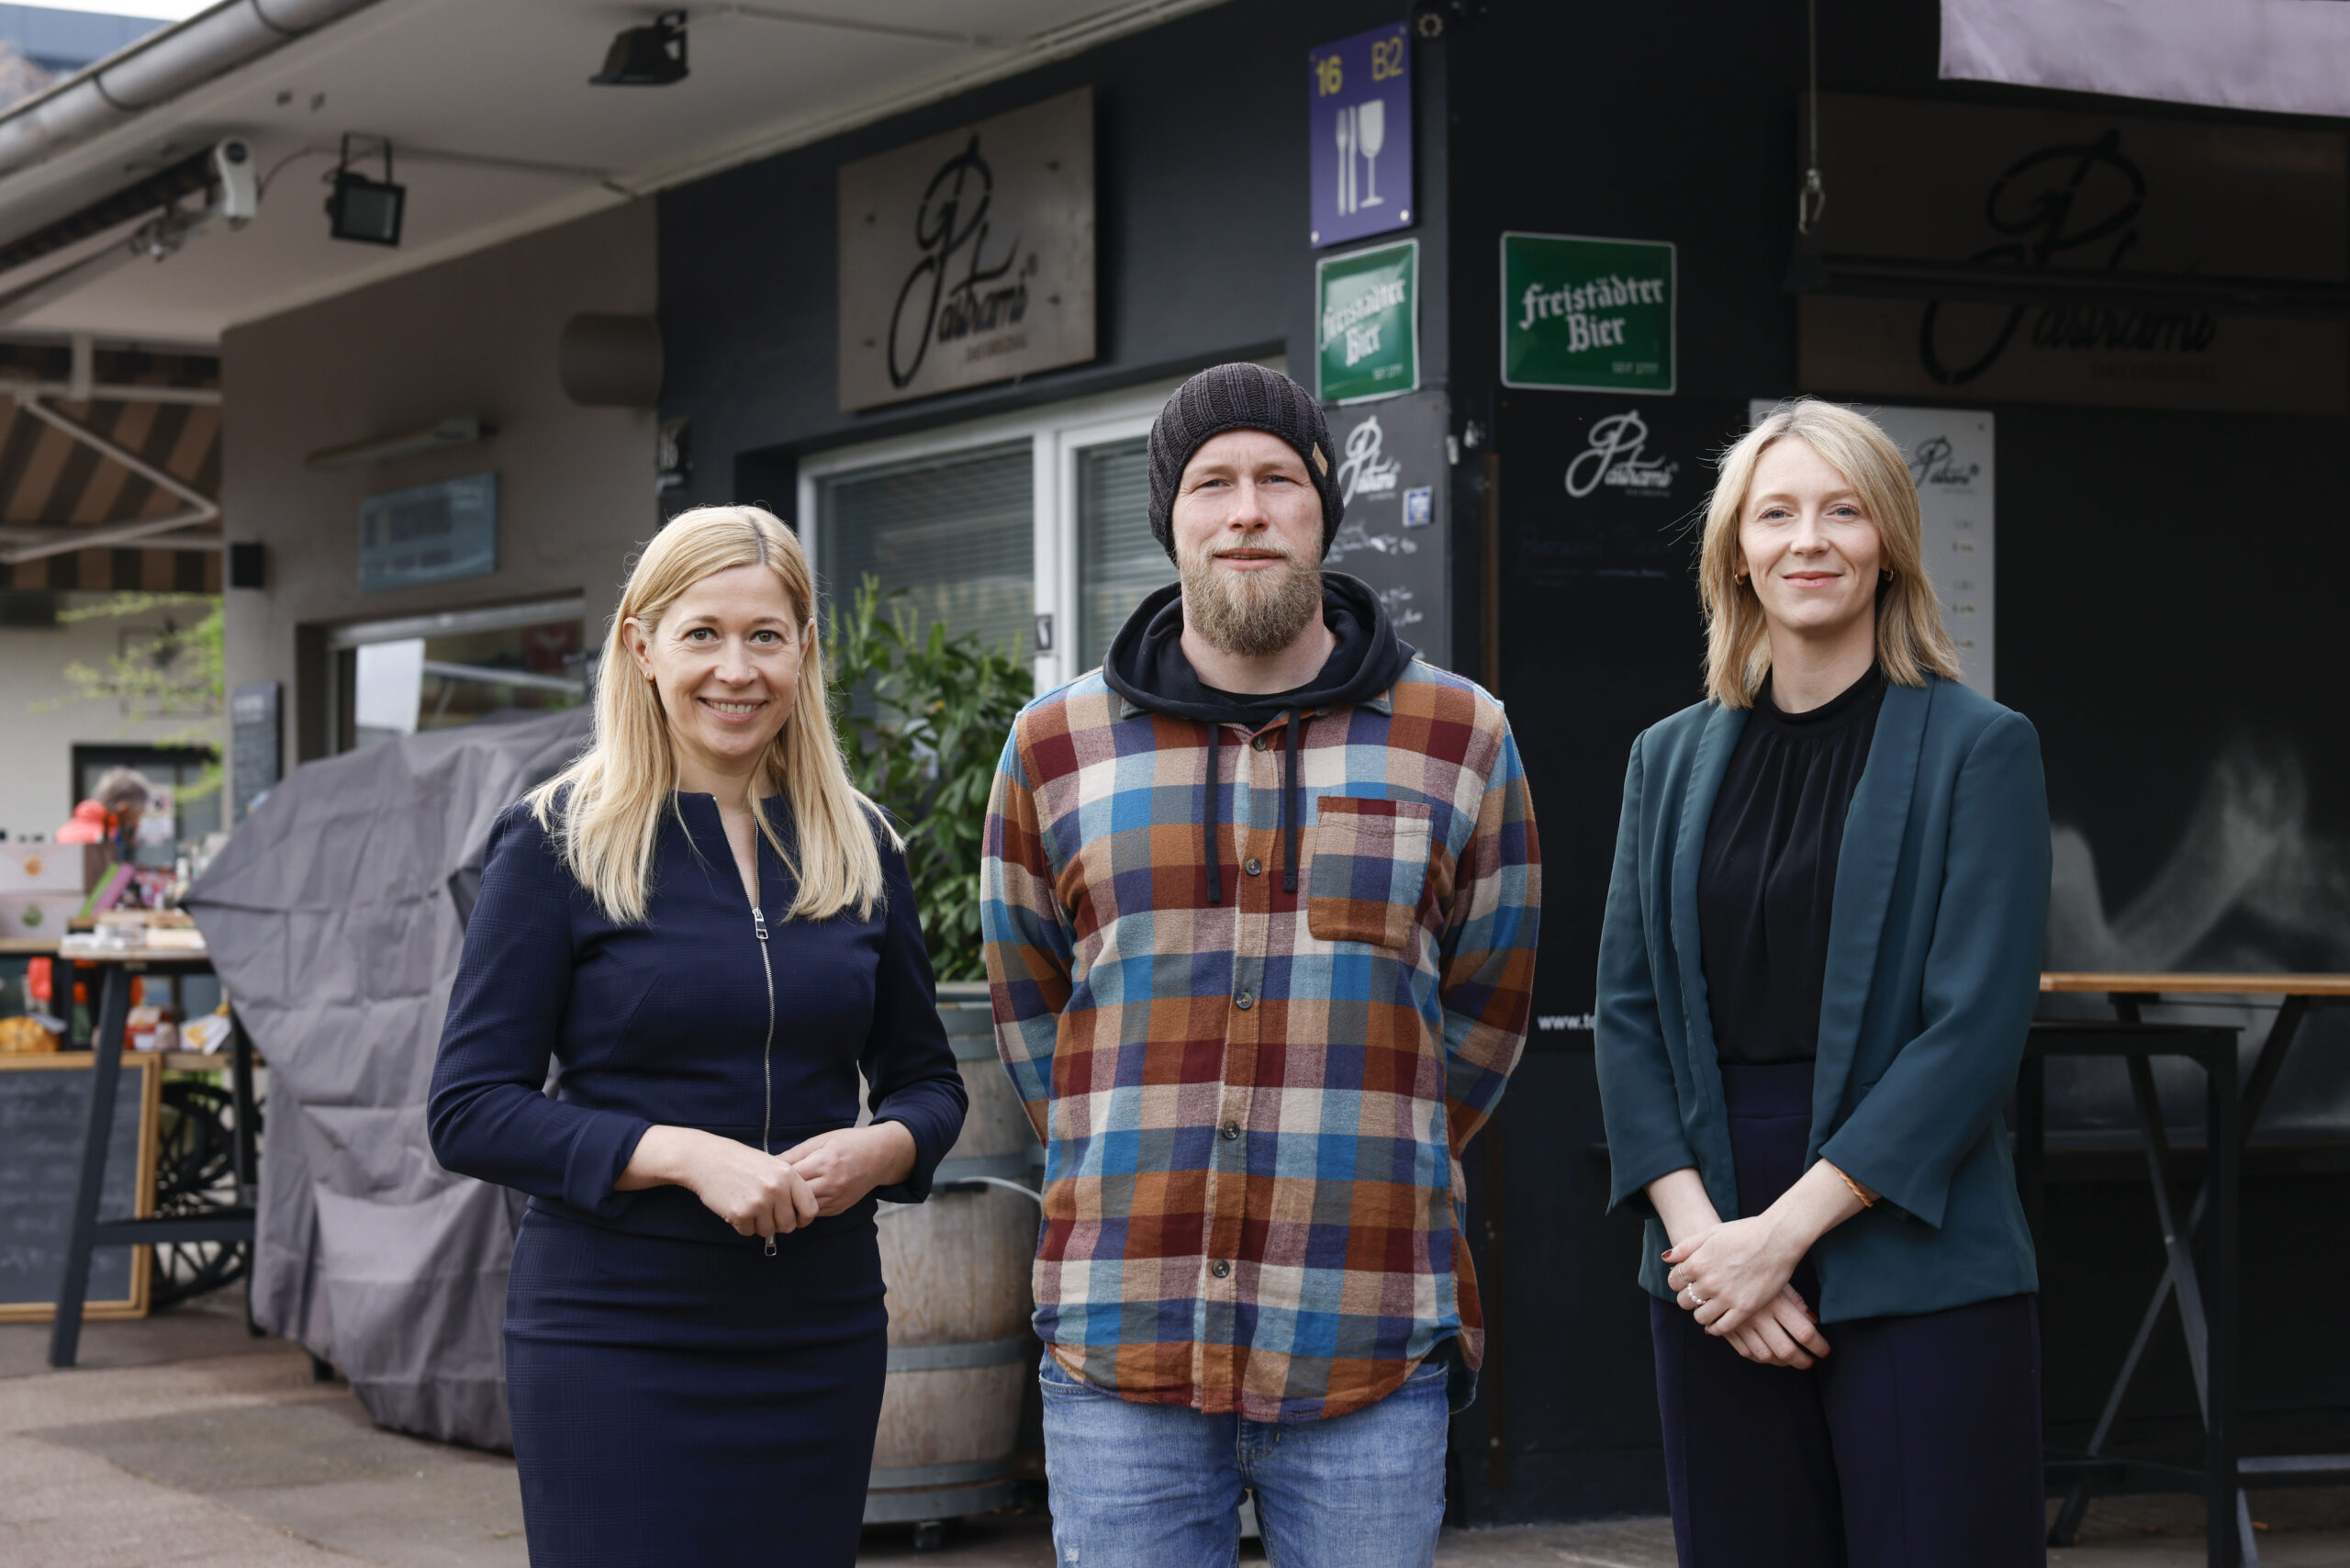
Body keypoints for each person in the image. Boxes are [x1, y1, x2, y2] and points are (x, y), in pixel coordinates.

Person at [981, 363, 1540, 1568]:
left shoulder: (1461, 736)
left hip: (1365, 1328)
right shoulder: (1052, 748)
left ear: (1323, 510)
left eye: (1278, 480)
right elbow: (1034, 1019)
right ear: (1169, 518)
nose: (1246, 510)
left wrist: (1372, 1145)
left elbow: (1490, 1016)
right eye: (1212, 483)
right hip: (1123, 1334)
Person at [428, 506, 968, 1567]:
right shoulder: (556, 841)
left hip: (818, 1327)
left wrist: (887, 1148)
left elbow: (928, 1081)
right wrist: (676, 1153)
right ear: (641, 645)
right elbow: (469, 1108)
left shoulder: (858, 844)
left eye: (766, 635)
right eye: (702, 634)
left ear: (806, 651)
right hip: (613, 1330)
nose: (737, 669)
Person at [1594, 398, 2050, 1567]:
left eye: (1842, 510)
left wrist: (1779, 1239)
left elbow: (1973, 1034)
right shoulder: (1667, 757)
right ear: (1735, 552)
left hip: (1912, 1232)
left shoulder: (1978, 747)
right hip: (1707, 1243)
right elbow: (1630, 1014)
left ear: (1888, 540)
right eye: (1776, 512)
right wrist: (1709, 1250)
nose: (1809, 539)